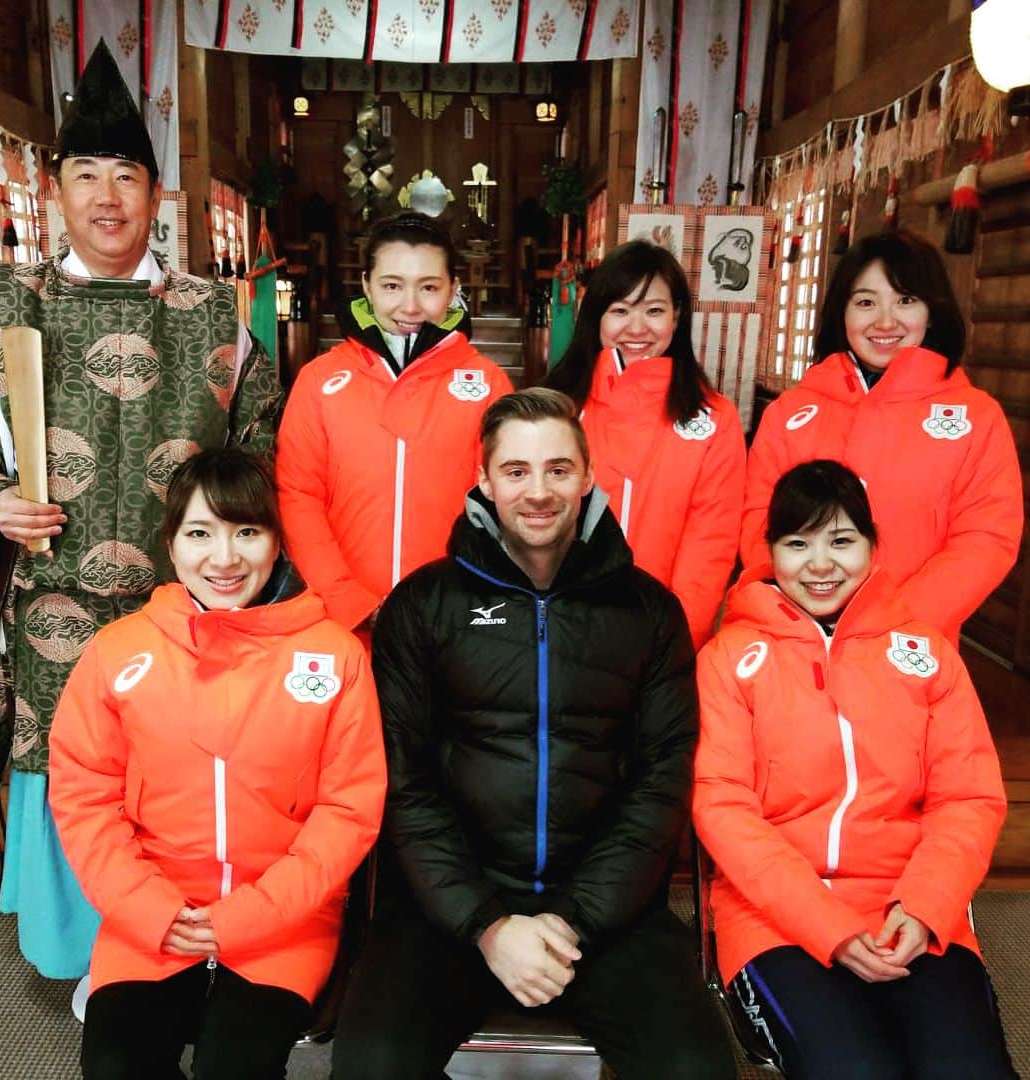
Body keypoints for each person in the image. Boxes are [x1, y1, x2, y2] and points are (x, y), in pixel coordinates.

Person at [0, 39, 282, 985]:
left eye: (126, 176)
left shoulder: (214, 313)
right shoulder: (6, 304)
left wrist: (236, 549)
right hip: (52, 605)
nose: (106, 197)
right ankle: (76, 955)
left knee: (177, 772)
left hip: (183, 605)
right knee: (69, 770)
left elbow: (263, 440)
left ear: (152, 194)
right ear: (55, 190)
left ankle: (173, 953)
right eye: (85, 175)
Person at [332, 388, 736, 1079]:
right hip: (447, 908)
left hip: (606, 909)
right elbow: (402, 781)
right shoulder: (422, 605)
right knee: (370, 1062)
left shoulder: (649, 611)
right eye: (516, 471)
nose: (538, 491)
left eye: (557, 469)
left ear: (585, 475)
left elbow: (661, 781)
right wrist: (488, 924)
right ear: (485, 482)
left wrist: (573, 922)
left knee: (695, 1066)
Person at [48, 447, 386, 1079]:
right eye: (200, 533)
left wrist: (249, 916)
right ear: (172, 544)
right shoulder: (117, 652)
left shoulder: (335, 655)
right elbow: (83, 796)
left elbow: (349, 808)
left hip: (283, 923)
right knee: (116, 1067)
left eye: (247, 533)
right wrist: (152, 911)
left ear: (278, 541)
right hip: (150, 921)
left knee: (236, 1069)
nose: (225, 559)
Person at [694, 459, 1015, 1079]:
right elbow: (721, 805)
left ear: (873, 545)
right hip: (774, 921)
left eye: (841, 541)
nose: (819, 565)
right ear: (769, 551)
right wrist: (829, 925)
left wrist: (925, 906)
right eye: (797, 543)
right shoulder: (729, 658)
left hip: (913, 913)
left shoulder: (926, 654)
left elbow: (968, 798)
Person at [740, 229, 1022, 643]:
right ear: (843, 312)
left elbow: (986, 537)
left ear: (932, 310)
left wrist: (895, 621)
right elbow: (757, 520)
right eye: (866, 302)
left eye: (905, 300)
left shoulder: (976, 417)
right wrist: (802, 610)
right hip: (793, 641)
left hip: (912, 648)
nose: (885, 321)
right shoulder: (789, 413)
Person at [275, 210, 513, 634]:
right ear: (366, 286)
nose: (410, 306)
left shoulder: (489, 384)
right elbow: (298, 495)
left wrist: (465, 600)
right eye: (391, 286)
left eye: (429, 288)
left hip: (453, 619)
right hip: (341, 621)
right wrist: (347, 599)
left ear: (454, 289)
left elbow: (504, 504)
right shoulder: (320, 380)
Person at [545, 239, 745, 648]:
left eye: (654, 311)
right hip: (556, 635)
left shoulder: (713, 419)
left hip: (659, 640)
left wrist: (673, 644)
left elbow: (710, 549)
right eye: (620, 310)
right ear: (596, 316)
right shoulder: (558, 406)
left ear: (677, 317)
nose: (637, 329)